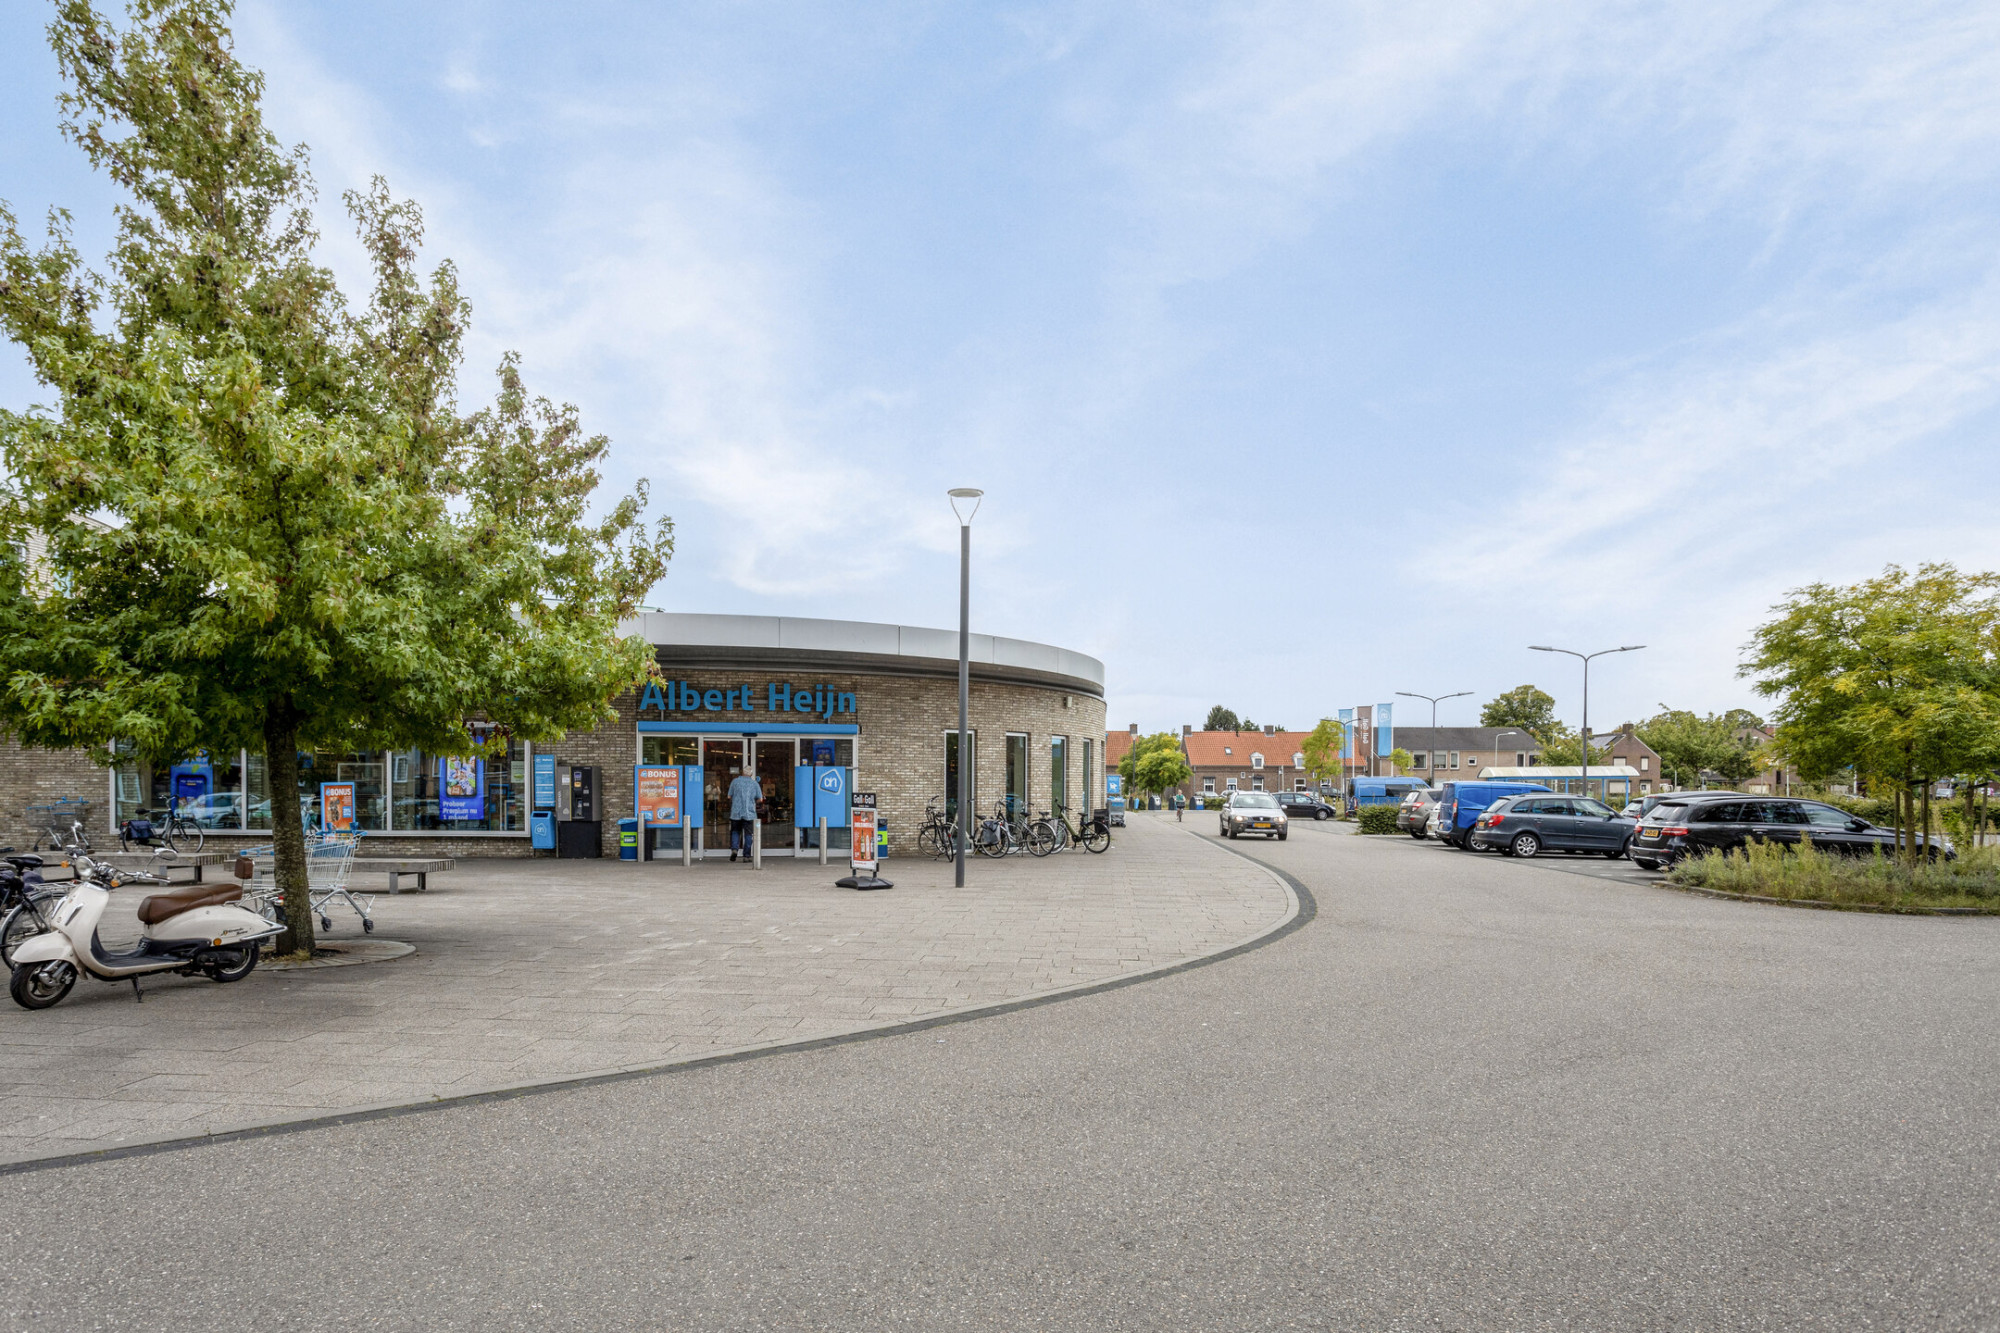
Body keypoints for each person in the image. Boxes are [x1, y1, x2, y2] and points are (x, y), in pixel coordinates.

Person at [727, 767, 761, 863]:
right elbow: (760, 799)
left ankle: (734, 849)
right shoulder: (754, 784)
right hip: (749, 813)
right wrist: (753, 802)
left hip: (735, 812)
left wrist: (735, 801)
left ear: (742, 772)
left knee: (735, 832)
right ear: (751, 774)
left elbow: (729, 796)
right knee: (748, 834)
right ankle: (746, 856)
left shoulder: (735, 782)